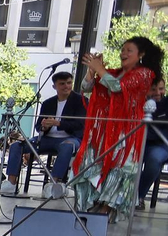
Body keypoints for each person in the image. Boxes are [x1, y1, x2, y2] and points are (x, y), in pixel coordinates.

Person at [69, 37, 163, 217]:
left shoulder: (145, 73)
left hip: (127, 132)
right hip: (105, 131)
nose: (123, 53)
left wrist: (100, 69)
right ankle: (91, 206)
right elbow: (86, 87)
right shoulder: (114, 73)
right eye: (122, 50)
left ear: (141, 54)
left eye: (129, 50)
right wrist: (91, 71)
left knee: (120, 168)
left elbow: (118, 88)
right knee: (90, 164)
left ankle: (106, 211)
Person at [0, 71, 86, 196]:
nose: (66, 86)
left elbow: (80, 125)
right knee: (16, 145)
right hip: (46, 139)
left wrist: (58, 123)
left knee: (67, 146)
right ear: (54, 86)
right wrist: (44, 127)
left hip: (70, 138)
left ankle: (54, 184)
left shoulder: (81, 101)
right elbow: (38, 126)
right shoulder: (48, 103)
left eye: (69, 83)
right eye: (62, 84)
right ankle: (11, 183)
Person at [138, 78, 168, 210]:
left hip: (162, 144)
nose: (158, 93)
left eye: (161, 89)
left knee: (154, 159)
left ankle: (138, 197)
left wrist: (147, 134)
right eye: (153, 89)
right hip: (139, 142)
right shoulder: (139, 102)